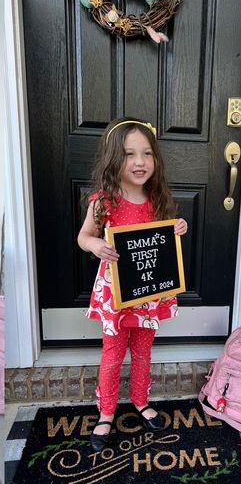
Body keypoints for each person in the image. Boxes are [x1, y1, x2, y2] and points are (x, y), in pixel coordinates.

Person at [77, 117, 188, 452]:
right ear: (115, 158)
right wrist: (95, 245)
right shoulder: (104, 201)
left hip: (149, 291)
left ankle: (141, 400)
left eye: (147, 154)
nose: (140, 162)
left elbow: (164, 240)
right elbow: (84, 236)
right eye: (129, 154)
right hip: (117, 292)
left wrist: (177, 227)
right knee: (112, 352)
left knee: (143, 348)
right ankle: (107, 411)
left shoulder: (158, 199)